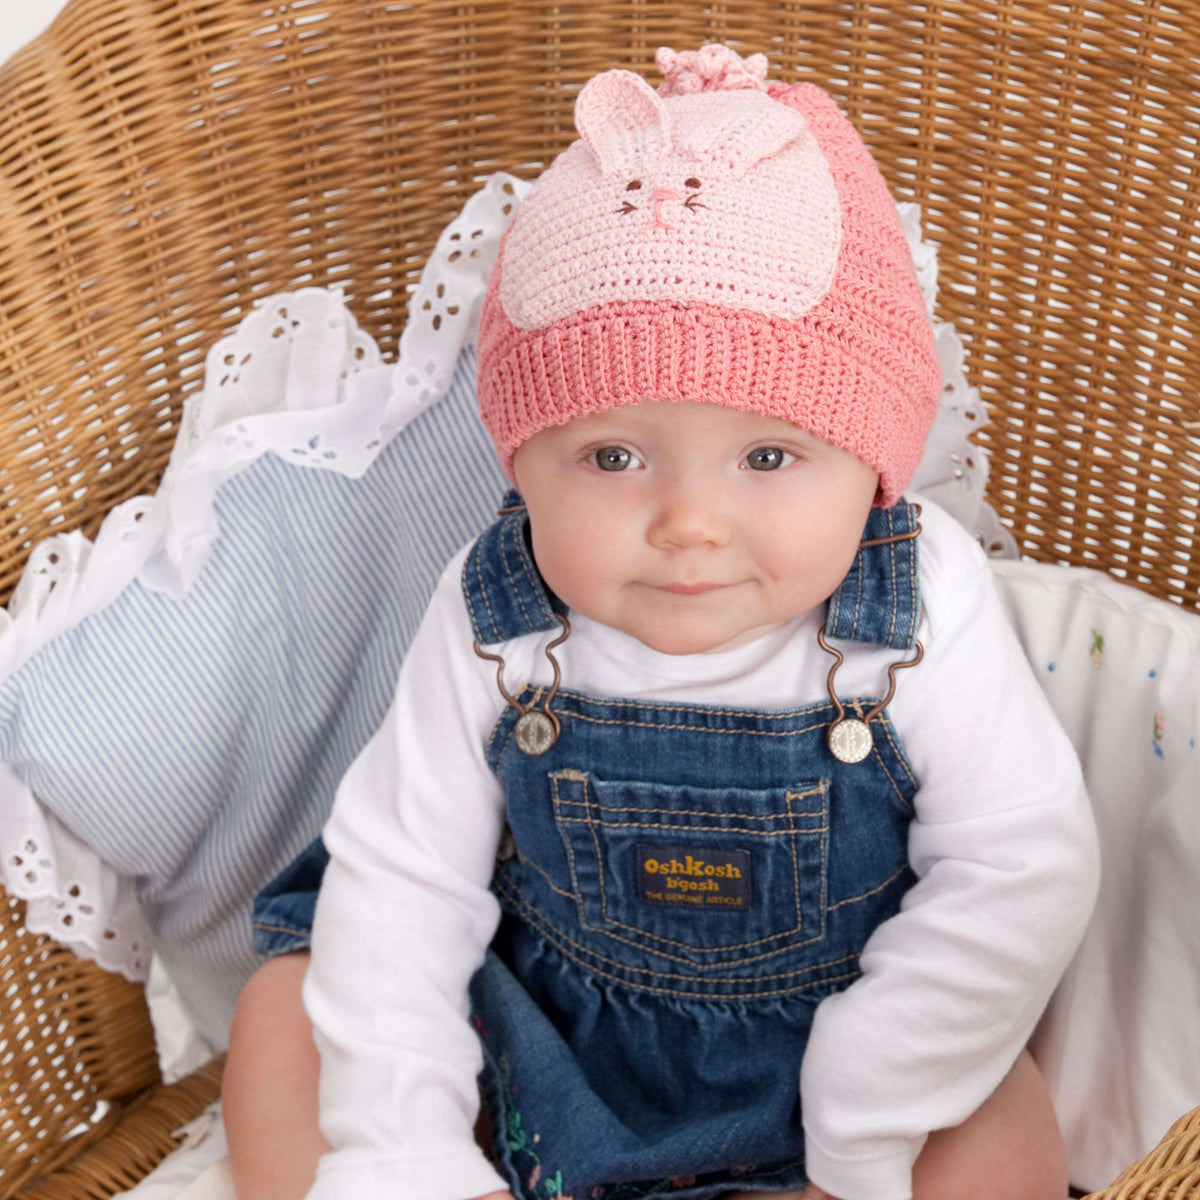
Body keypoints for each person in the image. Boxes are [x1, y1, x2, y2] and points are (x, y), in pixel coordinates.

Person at [222, 43, 1100, 1200]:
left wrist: (870, 1108)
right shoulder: (499, 616)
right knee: (288, 1008)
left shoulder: (915, 605)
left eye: (771, 455)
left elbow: (1016, 863)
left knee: (999, 1115)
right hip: (548, 1044)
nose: (691, 521)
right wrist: (409, 1150)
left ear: (872, 464)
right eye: (613, 456)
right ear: (522, 462)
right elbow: (406, 878)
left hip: (853, 1043)